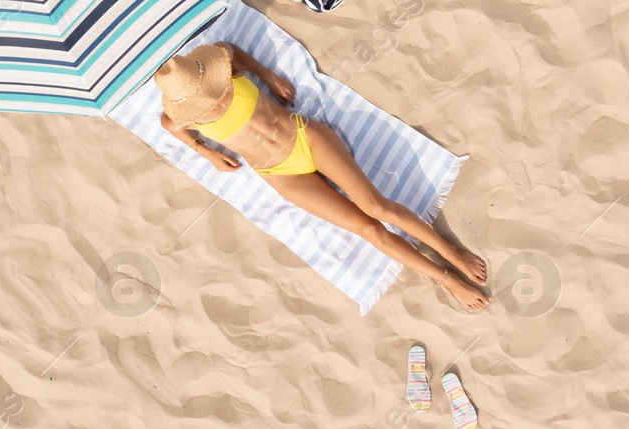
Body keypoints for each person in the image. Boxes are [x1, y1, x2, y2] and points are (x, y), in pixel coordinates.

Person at [156, 43, 490, 310]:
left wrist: (269, 77)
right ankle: (446, 279)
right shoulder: (187, 116)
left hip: (306, 138)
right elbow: (167, 124)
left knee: (376, 207)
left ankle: (449, 251)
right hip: (280, 174)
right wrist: (206, 152)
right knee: (368, 229)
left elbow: (232, 48)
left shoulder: (222, 65)